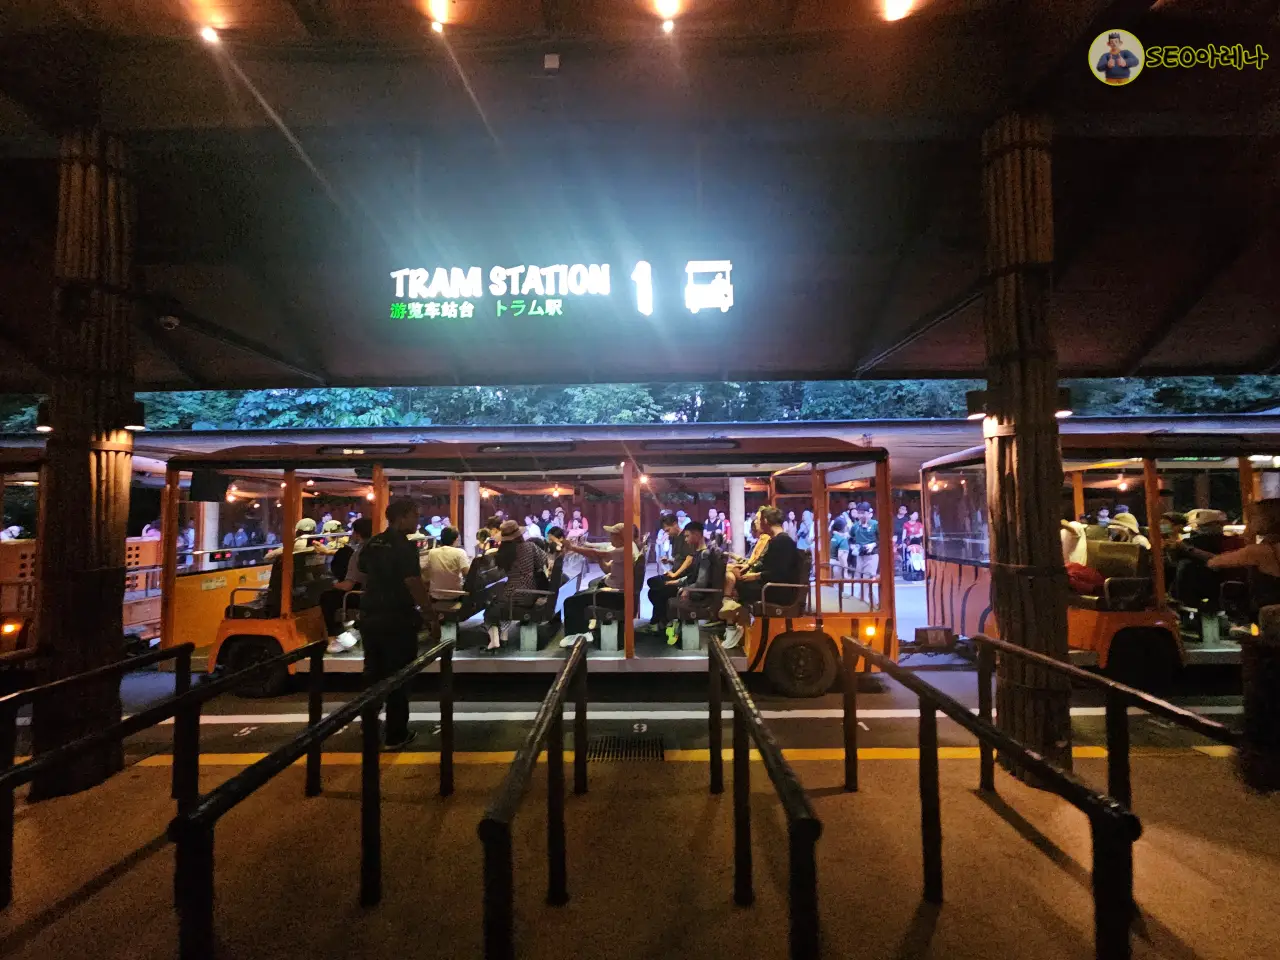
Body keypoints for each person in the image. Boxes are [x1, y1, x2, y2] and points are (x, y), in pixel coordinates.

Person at [356, 499, 431, 750]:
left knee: (373, 674)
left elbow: (363, 570)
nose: (417, 520)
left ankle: (368, 727)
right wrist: (430, 615)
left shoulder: (372, 543)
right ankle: (396, 734)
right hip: (397, 618)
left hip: (370, 615)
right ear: (402, 517)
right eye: (415, 515)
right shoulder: (405, 547)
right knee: (399, 676)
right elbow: (413, 582)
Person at [723, 507, 798, 649]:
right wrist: (748, 570)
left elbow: (779, 573)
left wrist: (755, 576)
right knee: (736, 579)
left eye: (760, 520)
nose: (757, 523)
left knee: (736, 585)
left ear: (766, 521)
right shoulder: (776, 540)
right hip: (771, 584)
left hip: (778, 590)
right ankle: (735, 625)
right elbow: (767, 565)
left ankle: (734, 626)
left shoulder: (782, 542)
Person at [561, 522, 641, 638]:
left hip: (616, 596)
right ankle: (582, 633)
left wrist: (572, 547)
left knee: (570, 602)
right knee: (577, 596)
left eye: (612, 535)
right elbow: (607, 569)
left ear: (620, 537)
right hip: (615, 592)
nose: (610, 537)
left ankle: (573, 637)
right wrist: (599, 558)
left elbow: (595, 553)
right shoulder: (625, 548)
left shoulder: (624, 550)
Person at [1207, 499, 1280, 615]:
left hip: (1271, 615)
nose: (1249, 521)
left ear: (1269, 519)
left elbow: (1214, 562)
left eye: (1253, 516)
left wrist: (1248, 534)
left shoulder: (1259, 551)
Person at [485, 519, 549, 651]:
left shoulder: (503, 553)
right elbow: (543, 561)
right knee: (501, 603)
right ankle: (502, 637)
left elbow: (498, 573)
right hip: (531, 592)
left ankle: (497, 639)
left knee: (491, 607)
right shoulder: (530, 546)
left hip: (512, 593)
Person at [322, 517, 373, 652]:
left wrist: (333, 585)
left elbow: (347, 586)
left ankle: (337, 638)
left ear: (356, 534)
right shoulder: (378, 549)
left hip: (364, 596)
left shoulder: (359, 554)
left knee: (327, 597)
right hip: (379, 594)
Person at [647, 513, 695, 627]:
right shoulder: (674, 538)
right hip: (674, 572)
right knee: (652, 588)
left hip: (681, 577)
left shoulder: (685, 537)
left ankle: (659, 621)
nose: (667, 533)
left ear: (675, 524)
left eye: (668, 530)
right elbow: (679, 559)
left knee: (658, 591)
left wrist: (675, 574)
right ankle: (661, 620)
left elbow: (689, 559)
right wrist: (669, 561)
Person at [424, 525, 472, 606]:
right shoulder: (460, 552)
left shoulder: (432, 552)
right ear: (456, 539)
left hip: (435, 596)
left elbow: (426, 574)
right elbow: (467, 574)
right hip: (455, 596)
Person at [852, 502, 880, 600]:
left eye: (863, 513)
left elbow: (882, 539)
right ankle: (875, 603)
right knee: (863, 580)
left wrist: (873, 544)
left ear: (869, 513)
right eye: (859, 513)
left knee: (866, 578)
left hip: (872, 555)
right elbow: (850, 538)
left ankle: (860, 600)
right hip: (859, 556)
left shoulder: (875, 524)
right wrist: (853, 546)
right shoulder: (855, 526)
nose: (861, 515)